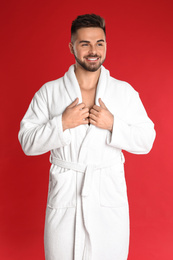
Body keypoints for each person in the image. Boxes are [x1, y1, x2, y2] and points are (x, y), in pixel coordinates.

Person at [18, 14, 156, 260]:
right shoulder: (49, 92)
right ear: (72, 47)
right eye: (85, 44)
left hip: (107, 198)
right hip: (66, 198)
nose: (93, 51)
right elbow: (27, 142)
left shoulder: (123, 92)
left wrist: (113, 124)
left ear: (105, 45)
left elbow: (147, 139)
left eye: (99, 43)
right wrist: (61, 124)